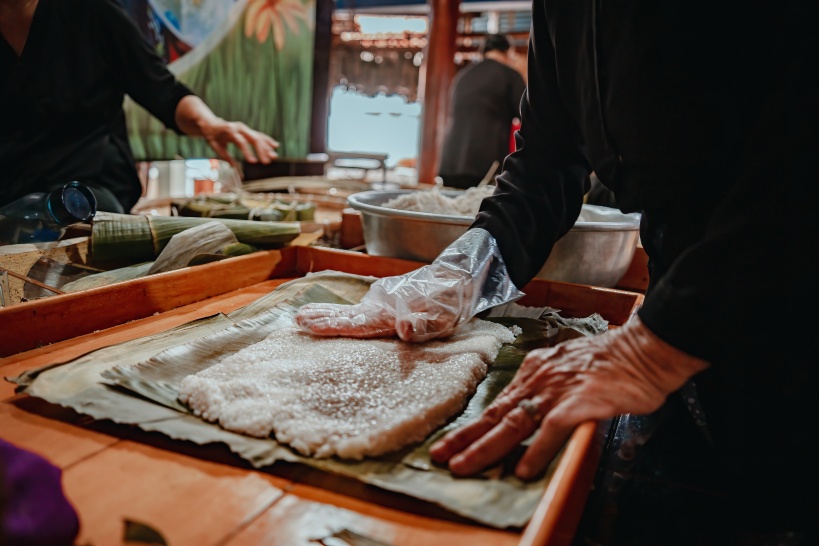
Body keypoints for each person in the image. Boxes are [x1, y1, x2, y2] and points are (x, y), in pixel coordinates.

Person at [296, 1, 817, 544]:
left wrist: (658, 343)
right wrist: (468, 268)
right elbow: (548, 155)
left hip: (781, 284)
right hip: (682, 283)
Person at [0, 0, 278, 214]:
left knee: (69, 215)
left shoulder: (92, 11)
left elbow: (163, 91)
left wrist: (210, 124)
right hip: (10, 195)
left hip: (88, 188)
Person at [437, 33, 525, 189]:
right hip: (484, 165)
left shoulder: (463, 75)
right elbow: (527, 116)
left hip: (450, 163)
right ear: (508, 51)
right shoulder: (509, 75)